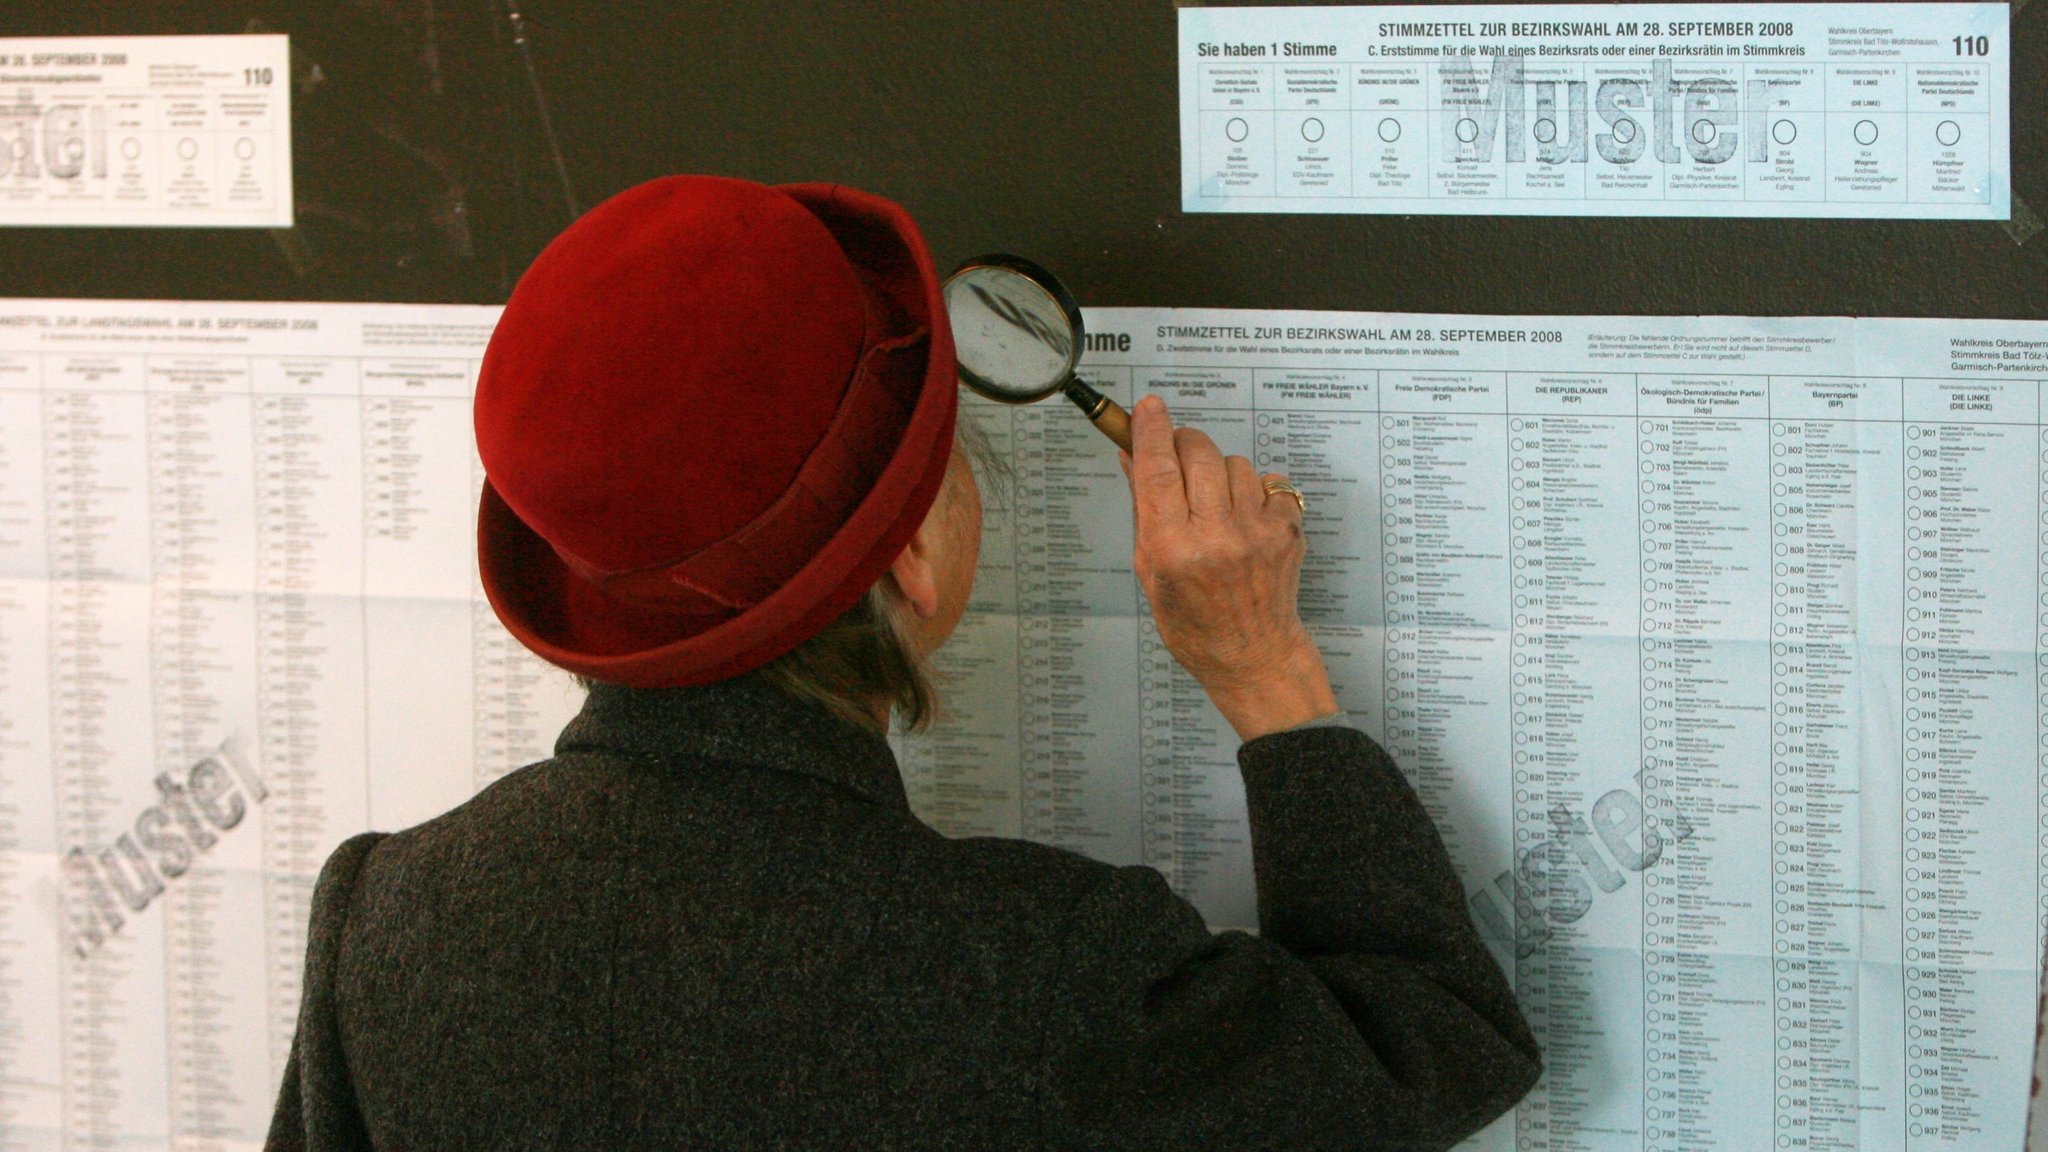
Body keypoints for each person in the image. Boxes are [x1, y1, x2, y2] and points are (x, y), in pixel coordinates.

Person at [265, 175, 1540, 1151]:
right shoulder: (1035, 968)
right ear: (911, 567)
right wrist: (1264, 671)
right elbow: (1429, 1041)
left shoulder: (383, 923)